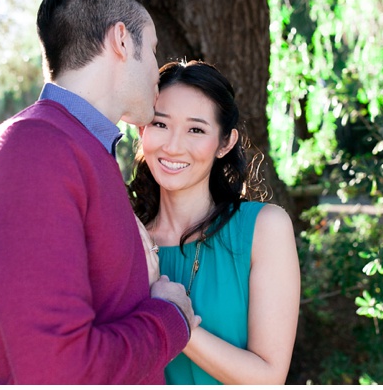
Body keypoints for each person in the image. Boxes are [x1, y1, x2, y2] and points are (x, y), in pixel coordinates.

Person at [0, 0, 199, 385]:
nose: (157, 73)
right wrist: (170, 318)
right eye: (154, 50)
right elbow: (58, 371)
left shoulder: (77, 149)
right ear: (122, 40)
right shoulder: (33, 150)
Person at [129, 60, 301, 384]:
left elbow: (267, 379)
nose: (173, 146)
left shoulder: (265, 229)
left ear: (225, 143)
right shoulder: (124, 236)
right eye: (160, 124)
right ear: (141, 130)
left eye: (196, 129)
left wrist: (176, 318)